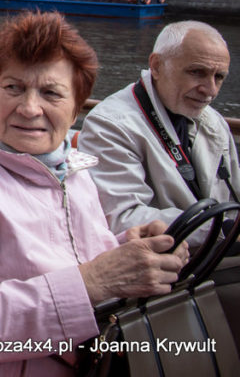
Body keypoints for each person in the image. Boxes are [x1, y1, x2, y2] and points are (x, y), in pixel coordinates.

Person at [0, 12, 187, 376]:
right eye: (13, 88)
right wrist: (95, 281)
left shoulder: (70, 164)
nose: (29, 108)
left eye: (50, 93)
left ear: (77, 107)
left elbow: (60, 257)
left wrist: (122, 249)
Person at [78, 21, 240, 341]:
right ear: (156, 65)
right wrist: (222, 226)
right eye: (197, 73)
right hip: (167, 280)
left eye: (218, 76)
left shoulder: (213, 121)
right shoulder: (110, 124)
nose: (211, 90)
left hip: (208, 259)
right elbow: (120, 219)